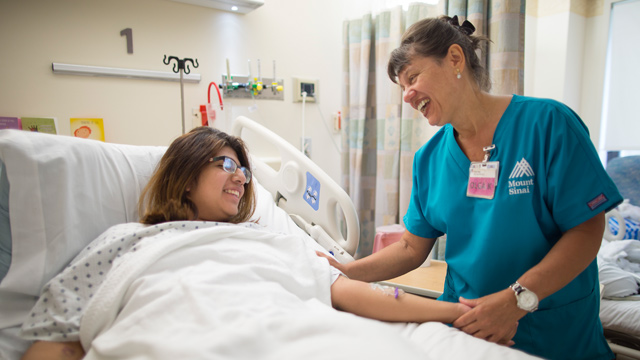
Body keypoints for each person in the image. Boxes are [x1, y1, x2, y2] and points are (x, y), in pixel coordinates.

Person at [20, 126, 480, 360]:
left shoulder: (270, 240)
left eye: (243, 169)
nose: (241, 177)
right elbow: (56, 332)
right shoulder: (128, 242)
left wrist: (454, 312)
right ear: (184, 177)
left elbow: (356, 295)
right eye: (225, 164)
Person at [319, 15, 622, 360]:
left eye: (413, 78)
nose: (407, 96)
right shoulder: (429, 159)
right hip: (467, 333)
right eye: (402, 87)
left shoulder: (549, 124)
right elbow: (409, 248)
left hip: (552, 333)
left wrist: (518, 299)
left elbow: (587, 229)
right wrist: (342, 271)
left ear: (455, 59)